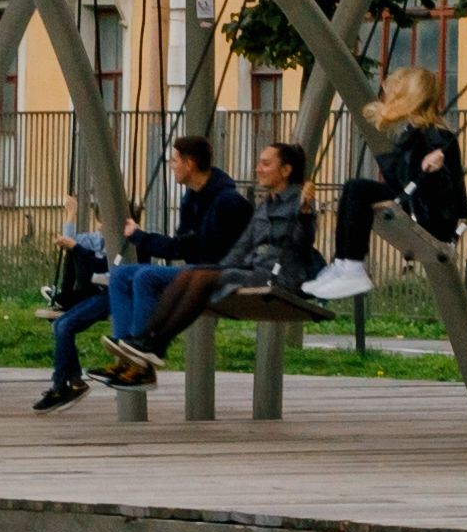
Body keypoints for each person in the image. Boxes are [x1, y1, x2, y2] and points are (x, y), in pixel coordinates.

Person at [113, 140, 326, 388]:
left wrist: (305, 212)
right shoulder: (266, 204)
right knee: (195, 273)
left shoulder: (297, 203)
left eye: (266, 163)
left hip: (278, 278)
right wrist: (221, 268)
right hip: (254, 271)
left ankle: (155, 343)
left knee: (199, 276)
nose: (258, 168)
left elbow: (302, 243)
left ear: (286, 170)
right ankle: (146, 341)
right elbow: (242, 246)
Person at [92, 139, 252, 380]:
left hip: (216, 272)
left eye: (174, 161)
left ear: (189, 164)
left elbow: (193, 249)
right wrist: (142, 238)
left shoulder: (226, 201)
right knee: (121, 274)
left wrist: (141, 237)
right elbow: (183, 245)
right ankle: (126, 352)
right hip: (197, 266)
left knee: (146, 276)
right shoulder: (192, 198)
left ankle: (140, 358)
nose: (171, 166)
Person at [323, 65, 467, 304]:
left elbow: (447, 192)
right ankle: (344, 263)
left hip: (432, 219)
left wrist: (435, 170)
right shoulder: (413, 131)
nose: (386, 94)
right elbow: (403, 178)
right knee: (354, 188)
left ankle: (350, 266)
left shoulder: (436, 135)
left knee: (358, 189)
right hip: (414, 203)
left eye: (393, 90)